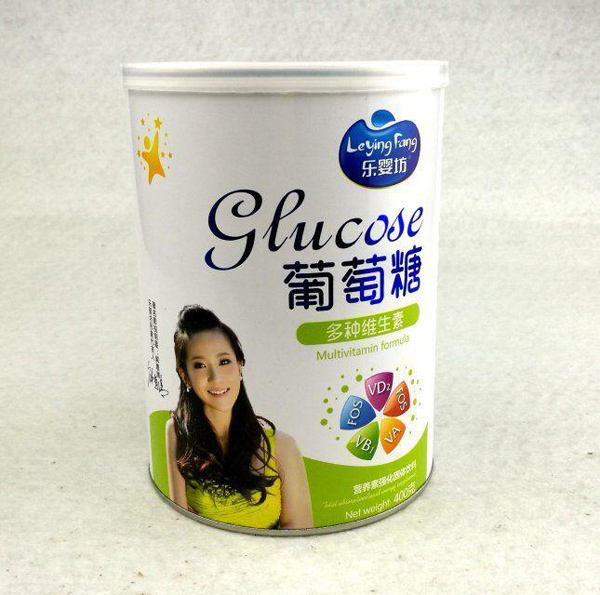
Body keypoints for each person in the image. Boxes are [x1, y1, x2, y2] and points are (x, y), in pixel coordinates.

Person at [165, 305, 313, 530]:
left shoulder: (283, 446)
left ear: (239, 365)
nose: (215, 378)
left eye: (224, 361)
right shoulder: (177, 432)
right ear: (185, 375)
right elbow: (181, 521)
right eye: (200, 365)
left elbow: (299, 527)